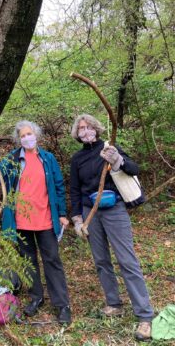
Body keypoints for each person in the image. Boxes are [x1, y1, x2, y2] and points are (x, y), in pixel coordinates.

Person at [70, 113, 154, 341]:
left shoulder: (109, 148)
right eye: (81, 129)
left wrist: (118, 160)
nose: (85, 132)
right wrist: (78, 219)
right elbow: (75, 191)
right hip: (91, 213)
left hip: (115, 210)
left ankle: (145, 315)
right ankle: (114, 303)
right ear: (77, 134)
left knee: (127, 260)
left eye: (88, 127)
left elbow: (134, 169)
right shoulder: (77, 159)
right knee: (101, 261)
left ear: (97, 129)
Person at [0, 120, 71, 325]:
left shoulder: (48, 159)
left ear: (36, 135)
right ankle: (36, 298)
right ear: (18, 139)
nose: (26, 138)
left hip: (46, 221)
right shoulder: (13, 159)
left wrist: (63, 213)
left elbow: (58, 187)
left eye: (29, 134)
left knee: (52, 262)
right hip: (21, 222)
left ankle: (62, 305)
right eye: (22, 136)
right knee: (28, 262)